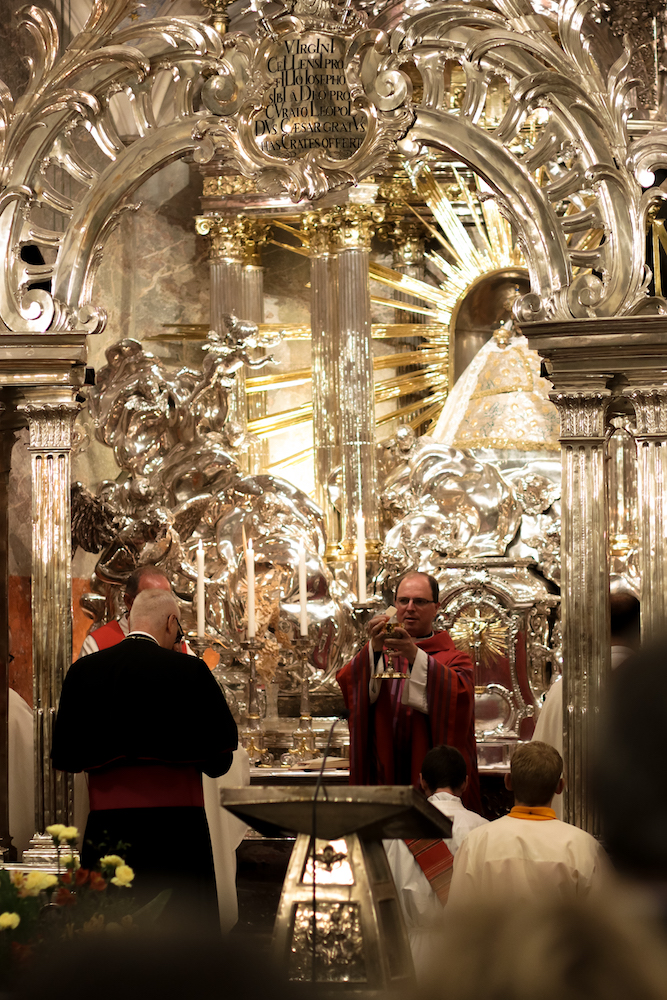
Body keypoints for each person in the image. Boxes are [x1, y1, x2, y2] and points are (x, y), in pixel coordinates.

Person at [52, 590, 238, 925]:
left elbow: (66, 755)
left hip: (109, 833)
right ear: (171, 623)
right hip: (179, 834)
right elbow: (219, 761)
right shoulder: (192, 671)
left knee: (108, 937)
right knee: (182, 938)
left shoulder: (83, 672)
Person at [337, 572, 480, 811]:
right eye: (403, 601)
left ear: (436, 607)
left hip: (428, 772)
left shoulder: (454, 658)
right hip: (384, 765)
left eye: (420, 601)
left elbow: (461, 698)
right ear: (395, 605)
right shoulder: (380, 653)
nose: (410, 608)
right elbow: (349, 683)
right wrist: (373, 647)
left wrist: (414, 655)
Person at [447, 741, 609, 907]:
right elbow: (604, 922)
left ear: (508, 781)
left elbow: (456, 917)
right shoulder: (585, 848)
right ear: (560, 786)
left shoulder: (476, 843)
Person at [532, 592, 640, 818]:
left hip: (566, 835)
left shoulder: (561, 690)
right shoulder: (649, 687)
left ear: (597, 629)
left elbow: (536, 766)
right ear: (639, 631)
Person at [384, 745, 488, 966]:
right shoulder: (484, 830)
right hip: (466, 955)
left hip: (410, 955)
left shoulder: (396, 829)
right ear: (466, 783)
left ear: (422, 781)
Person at [79, 564, 190, 656]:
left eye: (166, 600)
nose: (162, 608)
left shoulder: (178, 644)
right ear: (129, 601)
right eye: (153, 599)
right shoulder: (97, 644)